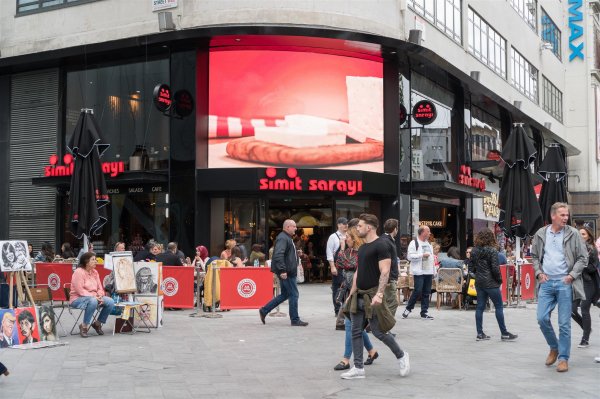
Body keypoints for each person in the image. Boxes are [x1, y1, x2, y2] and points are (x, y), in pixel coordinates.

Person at [341, 214, 409, 379]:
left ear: (369, 227)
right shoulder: (363, 247)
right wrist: (351, 294)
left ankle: (402, 356)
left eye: (360, 226)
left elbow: (385, 271)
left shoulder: (382, 245)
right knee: (356, 331)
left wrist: (379, 293)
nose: (357, 229)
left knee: (379, 332)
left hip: (373, 295)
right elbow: (359, 271)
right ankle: (358, 368)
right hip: (359, 295)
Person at [532, 202, 588, 372]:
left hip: (565, 283)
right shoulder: (541, 233)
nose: (566, 218)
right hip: (546, 283)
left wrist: (571, 276)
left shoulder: (574, 234)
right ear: (553, 216)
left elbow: (583, 258)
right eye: (562, 215)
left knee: (564, 323)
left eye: (567, 215)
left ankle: (563, 358)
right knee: (542, 318)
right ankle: (554, 347)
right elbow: (534, 256)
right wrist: (538, 273)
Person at [333, 227, 378, 371]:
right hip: (349, 291)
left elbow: (349, 265)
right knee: (355, 325)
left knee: (350, 325)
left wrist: (345, 262)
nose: (345, 239)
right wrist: (341, 249)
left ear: (354, 239)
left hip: (360, 292)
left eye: (348, 237)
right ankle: (372, 351)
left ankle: (346, 359)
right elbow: (339, 262)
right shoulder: (348, 252)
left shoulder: (362, 252)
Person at [469, 229, 518, 342]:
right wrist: (499, 280)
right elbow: (495, 269)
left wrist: (476, 277)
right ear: (491, 238)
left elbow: (471, 268)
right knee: (499, 307)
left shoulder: (474, 251)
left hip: (479, 282)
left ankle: (480, 334)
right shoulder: (492, 251)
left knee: (480, 307)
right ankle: (504, 333)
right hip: (491, 283)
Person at [259, 219, 308, 327]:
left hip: (288, 271)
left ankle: (264, 310)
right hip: (287, 272)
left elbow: (284, 253)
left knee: (285, 294)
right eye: (294, 226)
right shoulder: (283, 238)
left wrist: (296, 253)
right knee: (294, 295)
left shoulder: (286, 237)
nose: (296, 228)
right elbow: (278, 255)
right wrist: (282, 270)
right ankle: (295, 319)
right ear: (287, 227)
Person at [69, 252, 116, 338]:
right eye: (93, 260)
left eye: (95, 259)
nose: (96, 261)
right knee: (93, 301)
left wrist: (100, 295)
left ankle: (97, 324)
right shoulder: (78, 272)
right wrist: (95, 297)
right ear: (86, 262)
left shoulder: (95, 272)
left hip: (94, 297)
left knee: (110, 301)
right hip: (77, 299)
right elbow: (80, 291)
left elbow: (100, 288)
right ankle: (84, 326)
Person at [571, 226, 600, 349]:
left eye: (583, 234)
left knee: (584, 308)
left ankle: (585, 338)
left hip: (589, 283)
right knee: (571, 310)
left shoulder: (592, 250)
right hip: (577, 282)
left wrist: (581, 266)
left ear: (588, 236)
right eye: (580, 234)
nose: (581, 236)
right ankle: (586, 327)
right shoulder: (575, 249)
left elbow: (593, 268)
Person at [402, 225, 435, 320]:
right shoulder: (414, 243)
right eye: (428, 231)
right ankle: (408, 309)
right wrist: (422, 255)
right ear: (422, 232)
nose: (429, 233)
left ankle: (424, 312)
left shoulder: (429, 244)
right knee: (418, 290)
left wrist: (434, 271)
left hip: (428, 271)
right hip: (419, 271)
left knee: (426, 292)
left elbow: (432, 257)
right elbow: (409, 257)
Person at [327, 217, 349, 316]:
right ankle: (337, 310)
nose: (346, 225)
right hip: (337, 266)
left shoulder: (349, 236)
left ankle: (346, 308)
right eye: (344, 224)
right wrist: (332, 266)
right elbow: (329, 253)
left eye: (347, 224)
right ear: (339, 225)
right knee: (337, 288)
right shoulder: (333, 237)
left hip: (348, 265)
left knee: (347, 286)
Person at [382, 218, 400, 316]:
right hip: (389, 278)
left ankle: (377, 325)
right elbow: (385, 262)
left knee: (386, 302)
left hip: (390, 277)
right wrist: (388, 279)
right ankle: (384, 326)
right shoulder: (386, 241)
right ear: (394, 229)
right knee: (393, 303)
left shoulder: (387, 240)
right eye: (397, 227)